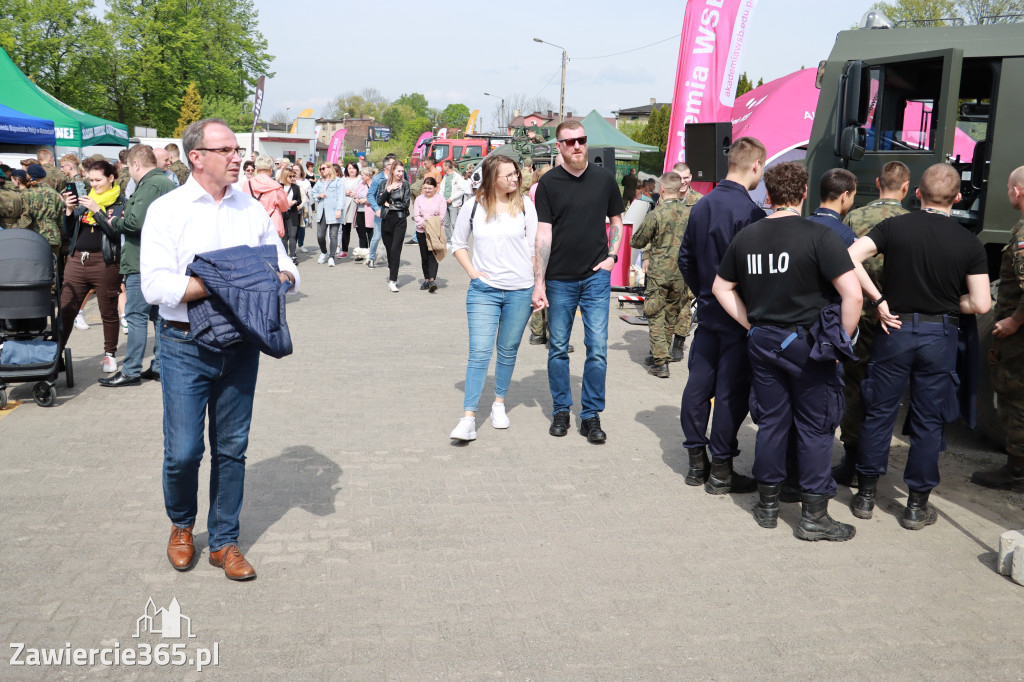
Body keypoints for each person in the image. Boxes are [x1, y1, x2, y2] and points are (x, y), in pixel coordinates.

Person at [140, 118, 299, 580]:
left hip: (240, 344)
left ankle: (225, 541)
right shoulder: (167, 210)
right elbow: (154, 285)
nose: (237, 158)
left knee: (232, 448)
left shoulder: (249, 209)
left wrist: (281, 278)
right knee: (185, 451)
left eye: (236, 150)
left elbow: (283, 262)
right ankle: (182, 525)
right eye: (226, 150)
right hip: (184, 344)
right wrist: (223, 284)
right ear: (197, 157)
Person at [714, 161, 863, 541]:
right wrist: (837, 343)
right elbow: (853, 294)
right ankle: (814, 516)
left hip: (763, 342)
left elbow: (721, 288)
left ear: (768, 194)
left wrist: (751, 324)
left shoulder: (747, 237)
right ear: (803, 194)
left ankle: (767, 505)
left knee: (772, 422)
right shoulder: (819, 236)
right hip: (808, 344)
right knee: (815, 427)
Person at [847, 163, 991, 530]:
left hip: (894, 331)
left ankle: (864, 496)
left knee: (880, 412)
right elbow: (981, 304)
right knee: (929, 421)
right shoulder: (969, 242)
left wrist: (878, 299)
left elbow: (850, 256)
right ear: (958, 198)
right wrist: (946, 304)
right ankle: (915, 505)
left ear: (917, 194)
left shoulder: (895, 226)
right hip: (939, 336)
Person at [677, 137, 767, 493]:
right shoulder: (751, 213)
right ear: (756, 165)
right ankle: (721, 471)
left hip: (709, 314)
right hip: (738, 317)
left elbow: (685, 258)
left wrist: (703, 290)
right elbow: (754, 272)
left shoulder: (701, 205)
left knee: (698, 387)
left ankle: (695, 463)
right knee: (730, 392)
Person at [532, 121, 625, 444]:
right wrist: (539, 282)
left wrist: (612, 257)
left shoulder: (604, 180)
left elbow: (617, 222)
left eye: (581, 140)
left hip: (596, 277)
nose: (576, 146)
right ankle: (561, 409)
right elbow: (543, 234)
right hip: (559, 279)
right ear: (558, 146)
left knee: (597, 347)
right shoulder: (548, 184)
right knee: (558, 347)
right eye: (569, 142)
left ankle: (590, 415)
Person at [831, 161, 911, 486]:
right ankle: (873, 463)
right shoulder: (910, 222)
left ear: (878, 182)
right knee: (887, 389)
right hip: (895, 317)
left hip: (861, 312)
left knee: (854, 384)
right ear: (906, 187)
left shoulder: (855, 216)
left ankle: (850, 458)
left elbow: (844, 262)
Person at [449, 154, 537, 441]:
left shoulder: (525, 205)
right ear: (490, 178)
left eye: (516, 174)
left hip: (520, 290)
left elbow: (535, 248)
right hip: (483, 292)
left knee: (508, 350)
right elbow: (458, 243)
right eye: (508, 175)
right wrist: (474, 273)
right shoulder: (473, 206)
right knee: (479, 353)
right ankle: (468, 418)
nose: (515, 178)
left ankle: (499, 403)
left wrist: (539, 286)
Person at [95, 144, 177, 387]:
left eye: (129, 166)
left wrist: (116, 222)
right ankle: (160, 365)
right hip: (156, 260)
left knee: (137, 316)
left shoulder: (151, 184)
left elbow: (134, 224)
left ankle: (130, 370)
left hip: (143, 261)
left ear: (136, 164)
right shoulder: (163, 182)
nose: (129, 171)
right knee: (159, 317)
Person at [972, 166, 1024, 493]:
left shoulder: (1022, 234)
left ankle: (1016, 471)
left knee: (1013, 397)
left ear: (1017, 192)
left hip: (1018, 338)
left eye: (1008, 188)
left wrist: (1014, 321)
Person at [59, 159, 124, 373]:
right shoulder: (85, 200)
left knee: (108, 312)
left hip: (104, 262)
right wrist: (69, 211)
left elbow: (115, 233)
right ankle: (54, 355)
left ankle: (110, 355)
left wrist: (97, 210)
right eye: (91, 180)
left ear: (111, 178)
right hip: (77, 260)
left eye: (98, 180)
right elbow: (68, 233)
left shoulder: (120, 203)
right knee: (67, 309)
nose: (94, 184)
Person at [630, 172, 697, 378]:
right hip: (681, 274)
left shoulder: (657, 214)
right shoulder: (691, 213)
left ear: (662, 189)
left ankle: (660, 362)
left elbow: (637, 241)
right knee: (670, 314)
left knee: (655, 315)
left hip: (659, 273)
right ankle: (662, 354)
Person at [377, 160, 411, 292]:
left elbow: (405, 204)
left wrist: (389, 205)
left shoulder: (406, 185)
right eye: (398, 171)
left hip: (400, 220)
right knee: (390, 249)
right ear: (392, 171)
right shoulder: (383, 184)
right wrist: (388, 190)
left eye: (402, 171)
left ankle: (392, 280)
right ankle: (393, 273)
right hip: (386, 219)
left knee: (396, 250)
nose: (400, 174)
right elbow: (380, 201)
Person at [243, 155, 289, 249]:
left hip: (252, 225)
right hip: (271, 226)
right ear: (271, 170)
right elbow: (285, 207)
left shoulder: (247, 184)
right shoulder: (276, 187)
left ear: (257, 170)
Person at [806, 168, 858, 246]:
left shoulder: (801, 226)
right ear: (845, 196)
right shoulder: (846, 235)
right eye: (853, 196)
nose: (853, 201)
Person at [413, 176, 445, 291]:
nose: (427, 190)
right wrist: (425, 224)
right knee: (424, 256)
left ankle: (432, 280)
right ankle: (426, 279)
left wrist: (430, 225)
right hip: (421, 231)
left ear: (435, 188)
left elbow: (441, 216)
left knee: (433, 255)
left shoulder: (441, 199)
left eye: (430, 188)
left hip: (435, 232)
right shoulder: (419, 199)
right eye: (425, 188)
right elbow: (416, 216)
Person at [310, 161, 344, 267]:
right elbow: (313, 192)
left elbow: (341, 197)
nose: (322, 171)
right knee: (320, 236)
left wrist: (339, 210)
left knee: (333, 235)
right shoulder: (320, 182)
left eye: (323, 168)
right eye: (320, 169)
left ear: (330, 168)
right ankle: (324, 252)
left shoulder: (338, 181)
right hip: (322, 211)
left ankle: (331, 257)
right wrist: (318, 195)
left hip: (334, 211)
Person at [366, 155, 396, 268]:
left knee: (392, 238)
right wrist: (377, 209)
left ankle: (391, 260)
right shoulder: (378, 178)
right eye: (393, 164)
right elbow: (370, 195)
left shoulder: (397, 177)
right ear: (387, 166)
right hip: (381, 213)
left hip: (394, 212)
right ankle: (372, 258)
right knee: (377, 237)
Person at [439, 159, 468, 243]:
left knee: (454, 223)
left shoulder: (457, 176)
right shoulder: (445, 177)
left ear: (447, 166)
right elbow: (442, 189)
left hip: (453, 203)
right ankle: (449, 241)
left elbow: (462, 190)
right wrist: (442, 198)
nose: (442, 167)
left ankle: (458, 240)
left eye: (443, 166)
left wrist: (451, 198)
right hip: (444, 203)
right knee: (445, 223)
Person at [279, 168, 302, 263]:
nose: (292, 178)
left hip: (293, 213)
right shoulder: (279, 187)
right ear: (285, 176)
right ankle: (284, 256)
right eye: (290, 176)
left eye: (294, 176)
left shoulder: (296, 187)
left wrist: (295, 201)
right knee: (284, 236)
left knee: (293, 235)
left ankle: (293, 256)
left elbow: (299, 199)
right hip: (282, 213)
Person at [339, 162, 361, 257]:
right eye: (349, 168)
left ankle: (363, 250)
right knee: (345, 229)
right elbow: (338, 191)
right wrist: (345, 192)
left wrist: (355, 193)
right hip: (346, 205)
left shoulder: (361, 179)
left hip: (357, 205)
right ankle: (344, 250)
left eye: (353, 168)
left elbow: (365, 191)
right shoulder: (342, 180)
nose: (351, 170)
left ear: (357, 169)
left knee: (360, 229)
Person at [291, 163, 312, 254]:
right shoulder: (290, 179)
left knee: (302, 227)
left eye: (297, 170)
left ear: (301, 171)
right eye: (293, 169)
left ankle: (301, 244)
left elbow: (310, 193)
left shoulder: (305, 181)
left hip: (303, 207)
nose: (295, 171)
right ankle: (293, 246)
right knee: (294, 227)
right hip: (293, 207)